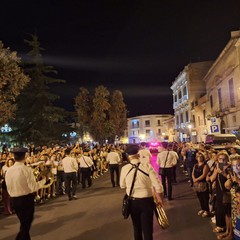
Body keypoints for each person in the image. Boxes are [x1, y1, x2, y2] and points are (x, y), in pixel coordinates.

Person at [120, 144, 163, 240]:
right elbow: (158, 186)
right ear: (138, 154)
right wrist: (160, 198)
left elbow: (122, 185)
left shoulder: (125, 169)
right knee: (147, 229)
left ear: (127, 155)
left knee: (137, 228)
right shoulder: (147, 166)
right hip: (147, 200)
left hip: (133, 201)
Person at [5, 147, 46, 240]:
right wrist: (43, 181)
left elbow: (8, 186)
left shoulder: (9, 171)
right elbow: (33, 187)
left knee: (24, 224)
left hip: (14, 200)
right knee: (26, 224)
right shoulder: (26, 170)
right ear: (25, 156)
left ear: (14, 157)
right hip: (26, 199)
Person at [192, 152, 210, 217]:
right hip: (197, 184)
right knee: (200, 197)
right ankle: (202, 208)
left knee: (205, 197)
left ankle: (206, 210)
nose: (199, 158)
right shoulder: (195, 165)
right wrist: (194, 179)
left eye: (201, 156)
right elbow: (193, 173)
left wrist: (196, 179)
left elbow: (204, 175)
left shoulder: (205, 165)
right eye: (198, 156)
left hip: (203, 183)